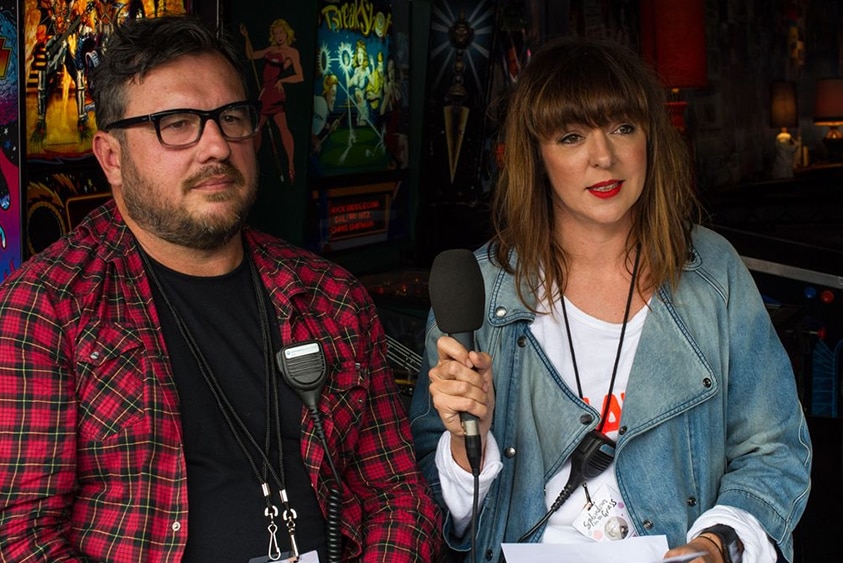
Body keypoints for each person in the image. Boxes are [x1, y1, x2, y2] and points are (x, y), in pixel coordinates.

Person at [0, 15, 441, 562]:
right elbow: (21, 536)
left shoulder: (330, 296)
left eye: (231, 117)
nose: (216, 146)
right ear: (111, 158)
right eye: (177, 123)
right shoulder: (46, 308)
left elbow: (397, 497)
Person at [409, 36, 812, 563]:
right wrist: (469, 444)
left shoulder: (713, 274)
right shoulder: (476, 291)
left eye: (624, 127)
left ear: (652, 138)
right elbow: (432, 512)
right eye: (571, 136)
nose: (604, 157)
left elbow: (774, 450)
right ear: (537, 157)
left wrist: (719, 545)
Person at [241, 18, 303, 184]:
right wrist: (246, 37)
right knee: (258, 127)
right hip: (265, 92)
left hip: (275, 92)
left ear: (287, 33)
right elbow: (251, 55)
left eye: (282, 32)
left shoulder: (291, 52)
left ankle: (290, 165)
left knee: (281, 127)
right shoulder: (270, 49)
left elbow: (300, 76)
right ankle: (252, 163)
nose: (279, 35)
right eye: (276, 33)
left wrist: (282, 81)